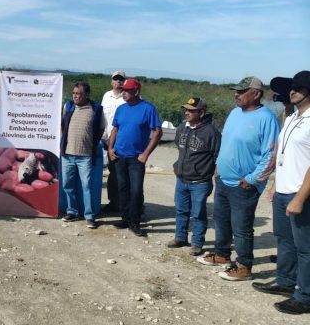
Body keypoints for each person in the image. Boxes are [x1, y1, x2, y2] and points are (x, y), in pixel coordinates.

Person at [197, 76, 280, 281]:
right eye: (236, 91)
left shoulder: (266, 118)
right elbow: (227, 141)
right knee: (221, 220)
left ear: (256, 94)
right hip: (223, 179)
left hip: (245, 185)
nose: (237, 94)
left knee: (241, 227)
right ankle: (222, 254)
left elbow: (271, 154)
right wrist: (218, 165)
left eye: (242, 91)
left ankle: (244, 266)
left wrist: (253, 179)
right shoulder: (235, 113)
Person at [252, 70, 310, 315]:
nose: (292, 91)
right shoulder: (293, 116)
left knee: (305, 248)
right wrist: (276, 183)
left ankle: (305, 296)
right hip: (284, 189)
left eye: (298, 88)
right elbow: (285, 154)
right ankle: (285, 281)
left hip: (301, 194)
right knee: (284, 239)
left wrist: (300, 198)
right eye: (291, 87)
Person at [108, 78, 162, 237]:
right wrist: (110, 148)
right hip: (119, 156)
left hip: (136, 158)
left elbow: (157, 132)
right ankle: (125, 218)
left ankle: (135, 222)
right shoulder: (121, 108)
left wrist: (145, 154)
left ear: (136, 91)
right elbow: (115, 129)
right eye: (123, 90)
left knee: (136, 190)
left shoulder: (148, 108)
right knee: (123, 189)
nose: (123, 93)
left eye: (127, 90)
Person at [167, 97, 221, 256]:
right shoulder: (182, 128)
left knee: (198, 213)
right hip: (181, 179)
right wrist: (178, 166)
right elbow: (180, 148)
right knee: (181, 210)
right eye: (186, 110)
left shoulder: (211, 132)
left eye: (191, 110)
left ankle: (197, 243)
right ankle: (180, 237)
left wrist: (212, 174)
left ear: (201, 113)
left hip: (200, 182)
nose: (187, 113)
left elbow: (218, 156)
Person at [60, 82, 106, 229]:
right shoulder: (68, 106)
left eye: (78, 94)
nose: (75, 96)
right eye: (73, 93)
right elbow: (62, 125)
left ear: (86, 95)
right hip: (67, 155)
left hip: (85, 156)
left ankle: (89, 216)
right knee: (67, 184)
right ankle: (72, 212)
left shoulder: (96, 109)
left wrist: (92, 143)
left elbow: (101, 128)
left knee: (87, 186)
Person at [101, 70, 126, 213]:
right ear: (111, 81)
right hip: (108, 141)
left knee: (123, 174)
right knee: (113, 173)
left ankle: (125, 204)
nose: (118, 81)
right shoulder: (106, 96)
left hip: (122, 141)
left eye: (121, 79)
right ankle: (113, 202)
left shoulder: (128, 97)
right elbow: (102, 118)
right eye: (115, 79)